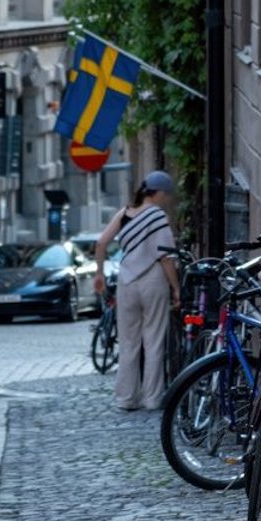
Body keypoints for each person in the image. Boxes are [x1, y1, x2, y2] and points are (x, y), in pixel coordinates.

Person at [97, 171, 180, 411]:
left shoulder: (124, 213)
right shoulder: (158, 217)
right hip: (153, 279)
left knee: (128, 342)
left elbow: (101, 242)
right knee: (153, 340)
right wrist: (176, 289)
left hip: (127, 280)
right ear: (160, 193)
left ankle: (126, 398)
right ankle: (152, 398)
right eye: (166, 195)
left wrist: (99, 274)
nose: (167, 199)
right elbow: (165, 257)